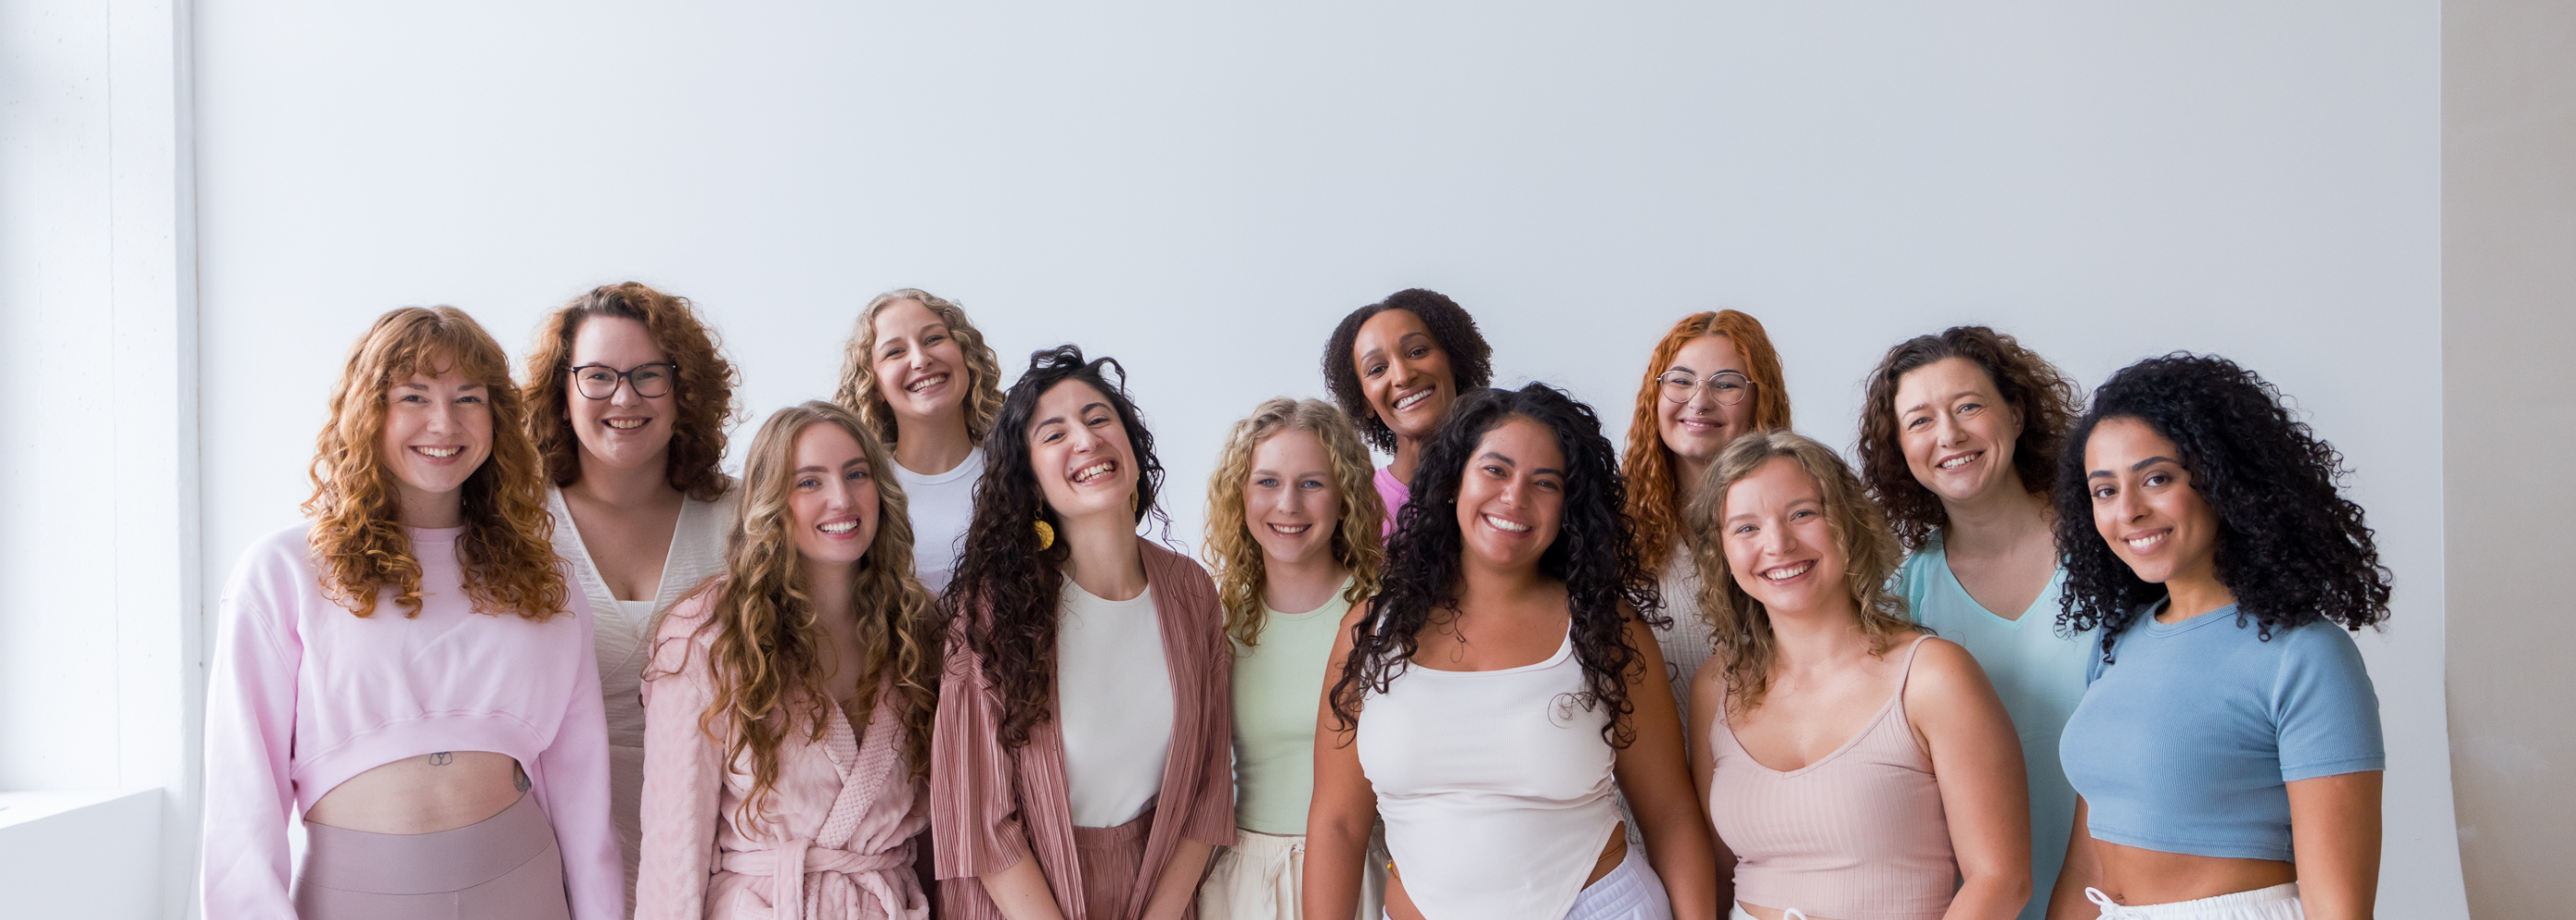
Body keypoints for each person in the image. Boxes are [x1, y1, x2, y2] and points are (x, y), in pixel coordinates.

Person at [201, 306, 619, 919]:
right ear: (368, 411)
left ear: (496, 417)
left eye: (468, 398)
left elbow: (583, 791)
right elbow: (242, 801)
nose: (444, 422)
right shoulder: (284, 572)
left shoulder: (545, 578)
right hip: (355, 898)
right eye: (415, 396)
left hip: (525, 886)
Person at [1307, 384, 1719, 920]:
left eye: (1545, 482)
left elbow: (1669, 814)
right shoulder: (1372, 630)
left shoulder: (1605, 629)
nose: (1514, 497)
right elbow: (1337, 823)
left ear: (1568, 507)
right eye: (1495, 470)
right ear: (1455, 480)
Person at [2048, 354, 2389, 920]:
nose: (2128, 510)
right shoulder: (2118, 641)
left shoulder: (2305, 655)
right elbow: (2088, 859)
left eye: (2156, 478)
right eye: (2104, 491)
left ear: (2224, 479)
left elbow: (2341, 908)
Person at [932, 346, 1235, 920]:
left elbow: (1209, 786)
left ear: (1132, 445)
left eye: (1099, 419)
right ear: (1031, 481)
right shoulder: (994, 611)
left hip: (1158, 894)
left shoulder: (1191, 591)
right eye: (1054, 433)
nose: (1086, 440)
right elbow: (978, 818)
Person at [1686, 431, 2030, 920]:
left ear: (1848, 523)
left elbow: (2001, 880)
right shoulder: (1716, 686)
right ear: (1721, 551)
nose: (1778, 544)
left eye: (1802, 514)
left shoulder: (1932, 676)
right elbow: (1719, 872)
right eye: (1745, 528)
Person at [636, 401, 942, 919]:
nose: (841, 499)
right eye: (809, 482)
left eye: (857, 474)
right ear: (770, 502)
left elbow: (940, 831)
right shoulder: (706, 636)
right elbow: (673, 844)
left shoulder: (916, 629)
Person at [1858, 326, 2088, 920]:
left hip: (2125, 888)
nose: (1950, 435)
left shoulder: (2112, 551)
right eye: (1920, 421)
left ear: (2015, 415)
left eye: (1968, 407)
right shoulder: (1902, 597)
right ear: (1901, 450)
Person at [524, 282, 742, 897]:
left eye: (650, 374)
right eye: (598, 375)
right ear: (562, 393)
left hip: (723, 865)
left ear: (684, 392)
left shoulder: (746, 517)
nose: (624, 396)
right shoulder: (516, 526)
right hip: (552, 865)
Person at [1195, 397, 1388, 919]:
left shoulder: (1384, 618)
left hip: (1361, 877)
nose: (1288, 505)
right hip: (1243, 882)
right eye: (1267, 482)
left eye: (1311, 483)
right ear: (1240, 496)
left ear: (1344, 497)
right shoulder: (1218, 624)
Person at [1618, 309, 1793, 718]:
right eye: (1680, 381)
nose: (1699, 401)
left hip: (1765, 769)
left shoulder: (1799, 520)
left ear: (1758, 400)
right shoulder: (1608, 525)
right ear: (1655, 396)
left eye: (1726, 384)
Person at [833, 288, 1009, 592]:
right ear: (874, 384)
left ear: (966, 355)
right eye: (895, 352)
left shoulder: (1017, 473)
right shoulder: (856, 489)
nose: (920, 359)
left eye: (933, 339)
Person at [1321, 288, 1494, 533]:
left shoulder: (1507, 487)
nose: (1402, 376)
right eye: (1377, 369)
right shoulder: (1353, 509)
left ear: (1454, 360)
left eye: (1417, 352)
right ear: (1365, 402)